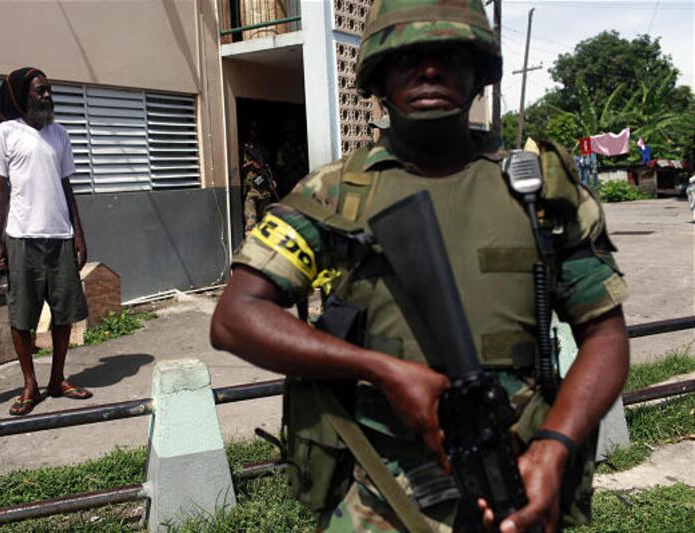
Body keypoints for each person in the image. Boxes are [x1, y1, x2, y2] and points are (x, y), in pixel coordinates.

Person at [211, 1, 630, 532]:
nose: (429, 70)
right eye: (408, 57)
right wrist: (380, 368)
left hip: (517, 468)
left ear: (480, 74)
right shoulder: (336, 193)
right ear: (379, 79)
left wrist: (553, 447)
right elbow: (234, 317)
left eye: (450, 55)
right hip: (380, 477)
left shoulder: (540, 190)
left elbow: (605, 334)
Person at [0, 67, 91, 417]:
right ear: (22, 95)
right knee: (22, 316)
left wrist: (78, 233)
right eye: (39, 91)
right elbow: (1, 189)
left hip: (60, 236)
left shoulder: (59, 134)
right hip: (21, 237)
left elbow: (66, 186)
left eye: (48, 90)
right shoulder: (4, 133)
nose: (46, 95)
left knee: (64, 313)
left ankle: (58, 378)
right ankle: (30, 384)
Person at [241, 121, 276, 232]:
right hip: (251, 189)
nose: (253, 133)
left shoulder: (261, 149)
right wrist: (251, 164)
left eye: (255, 131)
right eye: (251, 131)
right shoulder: (243, 148)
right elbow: (237, 166)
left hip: (263, 188)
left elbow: (266, 166)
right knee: (251, 222)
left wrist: (271, 179)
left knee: (265, 221)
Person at [275, 120, 309, 196]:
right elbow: (280, 170)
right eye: (290, 133)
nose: (293, 136)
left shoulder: (303, 149)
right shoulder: (283, 151)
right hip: (289, 186)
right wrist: (292, 165)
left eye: (295, 133)